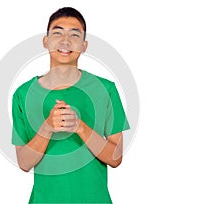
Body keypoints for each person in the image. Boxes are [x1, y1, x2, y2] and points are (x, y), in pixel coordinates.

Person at [12, 7, 130, 203]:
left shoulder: (105, 89)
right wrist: (47, 128)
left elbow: (115, 158)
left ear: (84, 45)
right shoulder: (23, 94)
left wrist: (80, 127)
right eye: (57, 33)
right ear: (45, 41)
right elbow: (24, 163)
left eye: (74, 35)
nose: (65, 41)